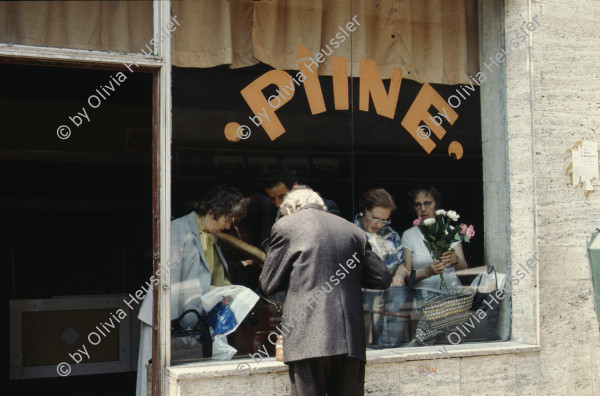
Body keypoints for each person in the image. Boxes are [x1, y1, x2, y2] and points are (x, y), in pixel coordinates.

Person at [259, 186, 392, 396]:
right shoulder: (353, 231)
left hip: (307, 338)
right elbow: (383, 278)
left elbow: (268, 283)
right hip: (350, 341)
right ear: (321, 206)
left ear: (290, 210)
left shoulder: (286, 226)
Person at [135, 185, 244, 396]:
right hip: (165, 317)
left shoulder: (211, 235)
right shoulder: (178, 229)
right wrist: (210, 289)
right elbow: (168, 282)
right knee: (155, 380)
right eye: (228, 219)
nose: (229, 226)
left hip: (192, 321)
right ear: (213, 212)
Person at [401, 185, 468, 335]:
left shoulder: (450, 231)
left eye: (427, 203)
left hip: (451, 296)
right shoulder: (409, 235)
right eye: (418, 204)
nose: (423, 209)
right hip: (423, 297)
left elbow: (464, 268)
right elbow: (406, 276)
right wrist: (427, 272)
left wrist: (455, 259)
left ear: (436, 204)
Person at [354, 188, 409, 346]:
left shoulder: (391, 235)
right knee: (368, 345)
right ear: (364, 211)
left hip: (393, 300)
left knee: (393, 346)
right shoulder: (351, 233)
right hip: (366, 300)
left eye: (385, 220)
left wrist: (398, 275)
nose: (380, 225)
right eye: (375, 219)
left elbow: (403, 264)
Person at [255, 168, 341, 247]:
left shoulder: (324, 207)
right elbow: (265, 238)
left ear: (295, 187)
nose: (277, 204)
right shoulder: (269, 208)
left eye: (282, 196)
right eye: (272, 198)